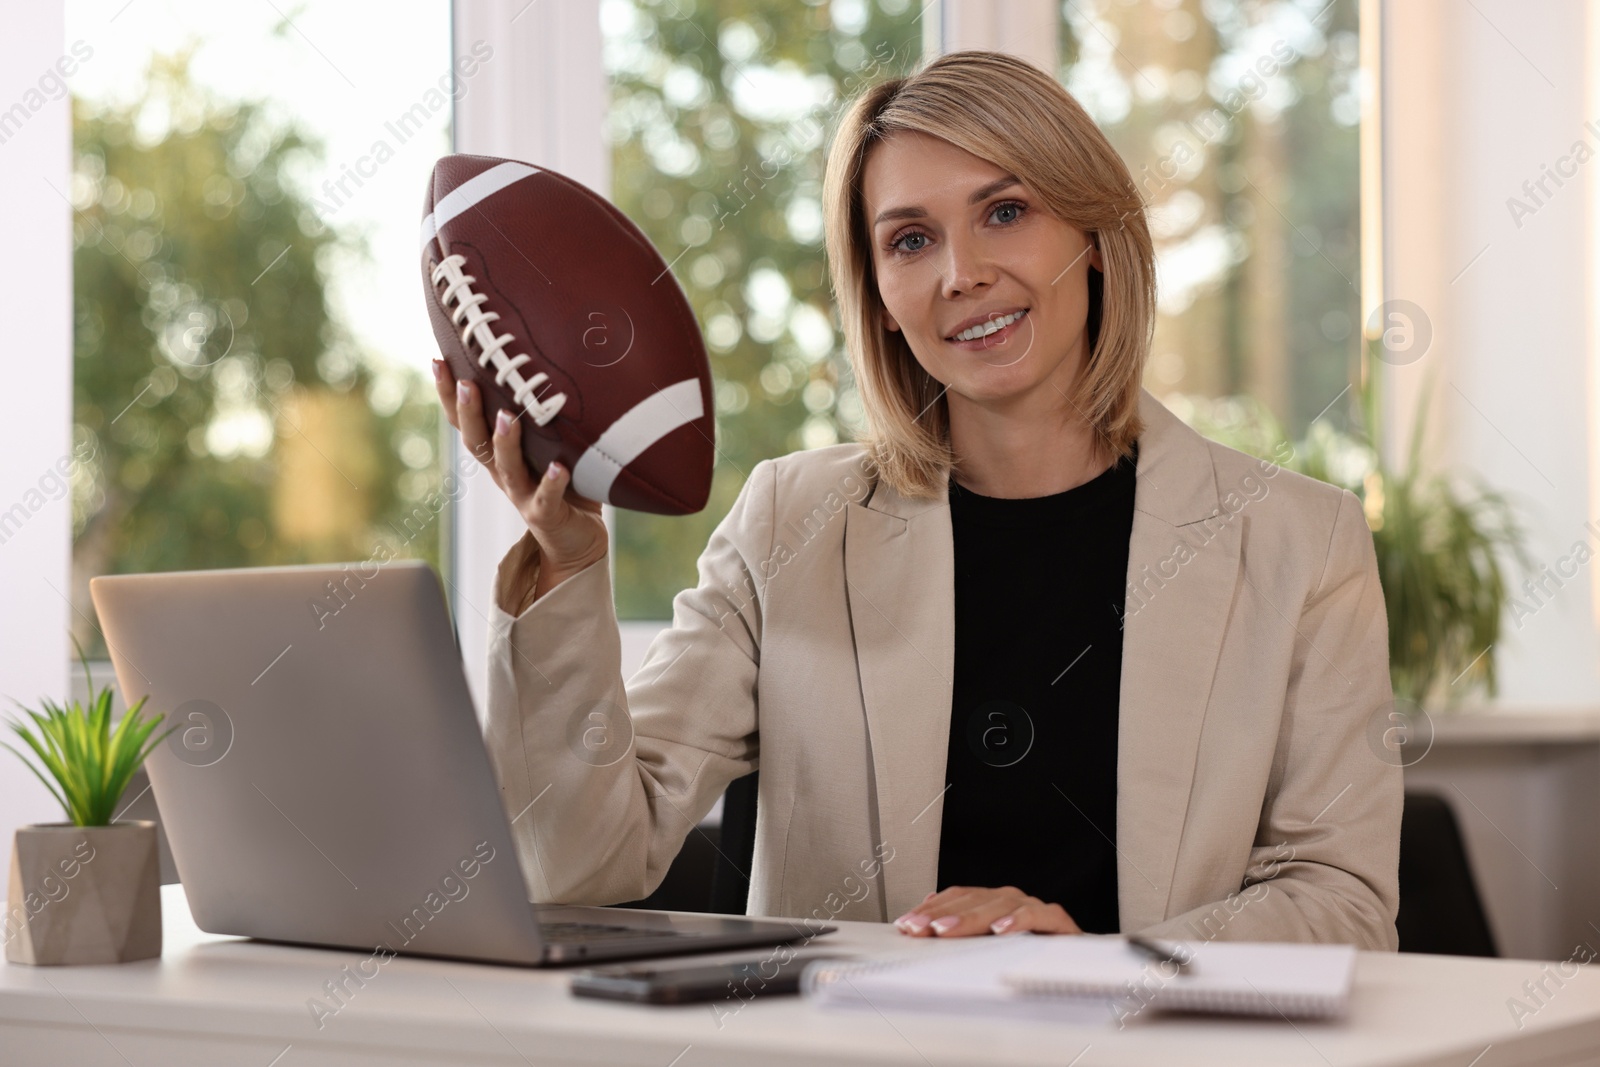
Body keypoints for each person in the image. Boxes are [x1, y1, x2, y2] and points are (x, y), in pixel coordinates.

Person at [431, 49, 1401, 949]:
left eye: (1006, 211)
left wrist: (1103, 963)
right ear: (878, 291)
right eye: (909, 239)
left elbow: (1342, 899)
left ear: (1095, 236)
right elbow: (576, 861)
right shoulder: (789, 524)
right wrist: (566, 560)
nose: (960, 273)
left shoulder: (1298, 542)